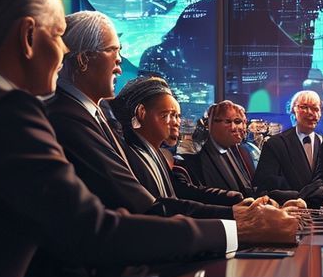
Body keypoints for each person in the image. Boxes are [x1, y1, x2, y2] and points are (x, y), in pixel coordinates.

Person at [0, 0, 296, 277]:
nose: (63, 51)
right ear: (28, 36)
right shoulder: (10, 112)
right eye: (59, 35)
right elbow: (91, 231)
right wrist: (239, 228)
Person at [47, 11, 236, 219]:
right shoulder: (69, 119)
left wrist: (234, 212)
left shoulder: (97, 117)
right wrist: (235, 219)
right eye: (112, 50)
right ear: (83, 59)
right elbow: (139, 205)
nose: (120, 62)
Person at [110, 76, 242, 208]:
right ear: (141, 113)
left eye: (178, 116)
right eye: (168, 115)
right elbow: (159, 208)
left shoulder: (153, 152)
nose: (177, 122)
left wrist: (232, 199)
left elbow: (181, 191)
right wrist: (231, 211)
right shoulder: (130, 157)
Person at [252, 90, 323, 206]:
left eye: (315, 109)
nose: (310, 113)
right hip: (287, 211)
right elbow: (264, 187)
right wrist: (300, 196)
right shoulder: (275, 144)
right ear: (293, 110)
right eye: (304, 107)